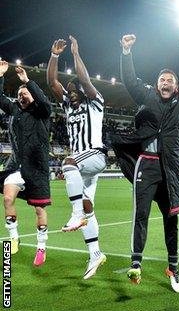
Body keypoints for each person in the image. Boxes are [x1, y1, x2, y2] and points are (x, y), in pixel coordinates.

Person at [112, 33, 179, 292]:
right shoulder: (147, 96)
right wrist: (126, 52)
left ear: (176, 86)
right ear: (157, 85)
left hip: (171, 168)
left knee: (171, 219)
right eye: (162, 79)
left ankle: (174, 269)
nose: (166, 82)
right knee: (140, 215)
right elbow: (130, 81)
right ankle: (136, 264)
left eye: (170, 80)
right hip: (146, 164)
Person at [46, 36, 107, 279]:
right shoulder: (68, 107)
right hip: (83, 165)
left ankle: (76, 214)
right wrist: (54, 56)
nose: (71, 93)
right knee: (87, 205)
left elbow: (84, 80)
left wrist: (75, 54)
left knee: (68, 163)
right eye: (69, 91)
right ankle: (95, 254)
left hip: (94, 156)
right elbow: (52, 82)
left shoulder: (95, 102)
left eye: (74, 90)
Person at [0, 62, 52, 266]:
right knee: (7, 199)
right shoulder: (14, 110)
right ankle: (14, 237)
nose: (22, 96)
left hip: (37, 169)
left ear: (32, 96)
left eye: (26, 93)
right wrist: (1, 76)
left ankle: (41, 247)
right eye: (20, 93)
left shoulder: (41, 112)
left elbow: (45, 102)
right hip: (17, 167)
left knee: (39, 210)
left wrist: (28, 82)